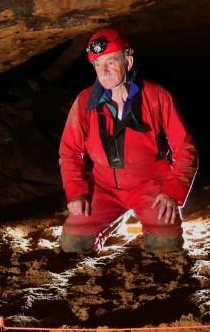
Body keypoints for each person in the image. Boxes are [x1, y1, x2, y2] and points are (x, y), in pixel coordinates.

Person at [58, 27, 198, 254]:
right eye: (98, 64)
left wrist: (173, 192)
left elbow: (185, 149)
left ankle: (144, 215)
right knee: (73, 245)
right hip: (104, 188)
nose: (104, 71)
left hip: (151, 185)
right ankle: (115, 218)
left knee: (165, 247)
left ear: (128, 62)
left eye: (111, 62)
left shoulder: (156, 97)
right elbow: (69, 152)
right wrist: (76, 192)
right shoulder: (84, 102)